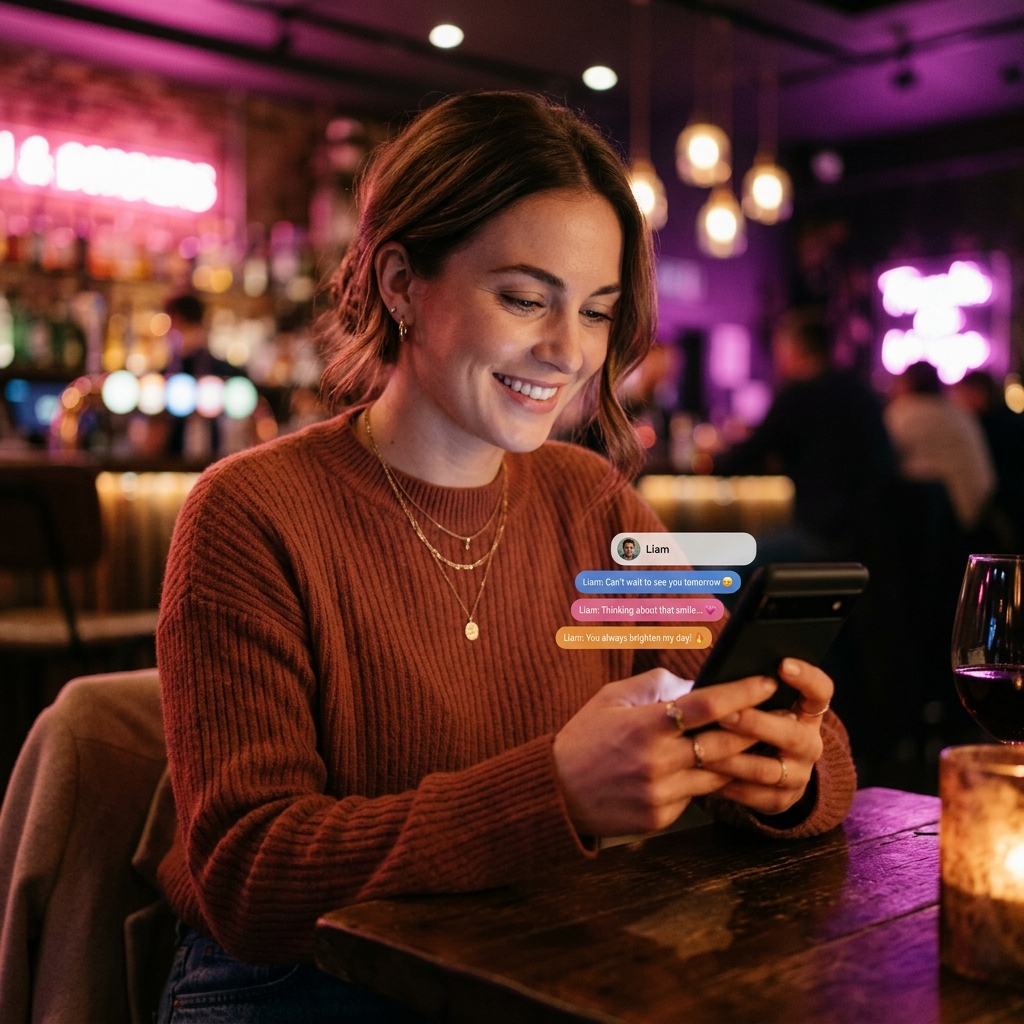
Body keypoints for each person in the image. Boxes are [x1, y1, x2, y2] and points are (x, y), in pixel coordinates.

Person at [155, 92, 856, 1024]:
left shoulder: (594, 505)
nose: (568, 352)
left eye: (598, 312)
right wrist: (555, 793)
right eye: (525, 298)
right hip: (306, 986)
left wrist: (785, 770)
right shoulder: (253, 514)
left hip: (535, 961)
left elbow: (818, 749)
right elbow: (249, 875)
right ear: (402, 283)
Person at [714, 307, 894, 560]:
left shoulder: (797, 395)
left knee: (722, 566)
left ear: (794, 350)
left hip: (822, 538)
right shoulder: (862, 392)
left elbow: (744, 459)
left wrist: (717, 460)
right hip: (874, 543)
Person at [885, 361, 995, 531]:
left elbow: (882, 455)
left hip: (945, 514)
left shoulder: (905, 411)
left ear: (908, 383)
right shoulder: (957, 411)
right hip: (977, 505)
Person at [950, 370, 1024, 546]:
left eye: (961, 393)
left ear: (978, 393)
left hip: (1005, 503)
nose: (956, 401)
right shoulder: (1011, 419)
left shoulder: (986, 426)